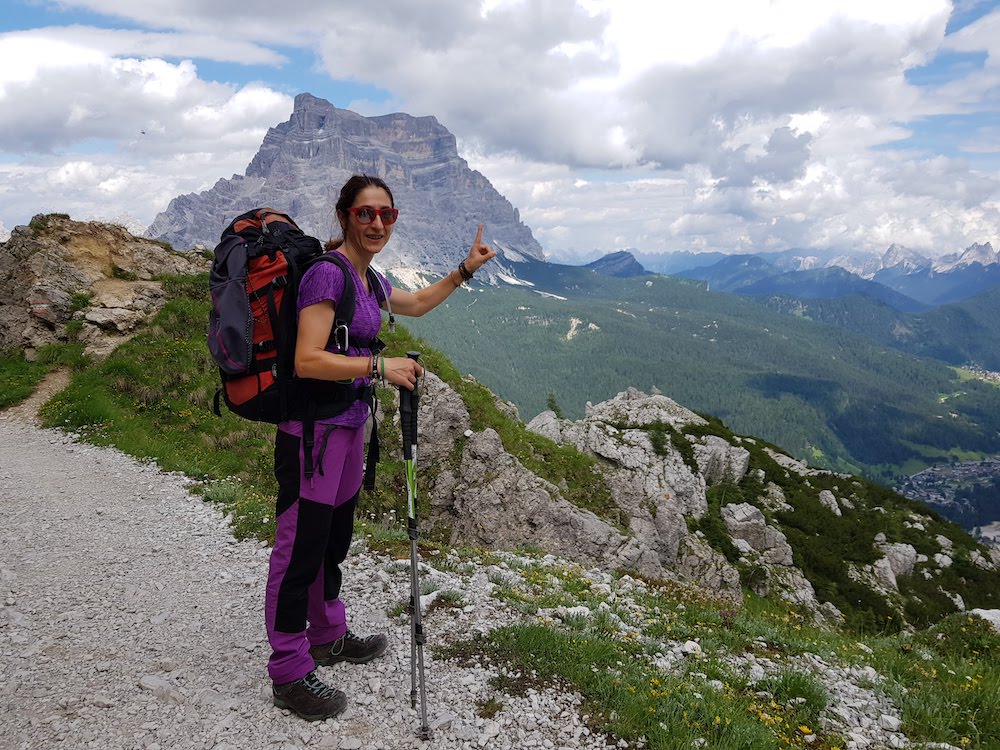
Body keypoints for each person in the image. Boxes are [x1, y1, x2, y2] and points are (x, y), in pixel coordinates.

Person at [266, 174, 496, 721]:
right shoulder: (327, 274)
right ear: (344, 215)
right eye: (366, 214)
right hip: (313, 436)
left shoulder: (366, 279)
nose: (376, 224)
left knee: (333, 540)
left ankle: (326, 634)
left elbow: (413, 304)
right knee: (300, 546)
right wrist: (379, 366)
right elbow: (307, 359)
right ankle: (288, 669)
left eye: (386, 215)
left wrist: (465, 270)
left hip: (347, 429)